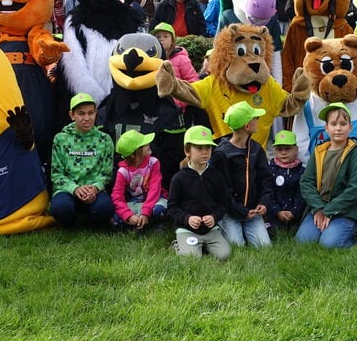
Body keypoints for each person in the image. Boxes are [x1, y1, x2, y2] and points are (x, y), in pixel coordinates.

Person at [295, 103, 357, 249]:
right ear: (327, 128)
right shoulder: (319, 152)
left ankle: (355, 234)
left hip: (346, 209)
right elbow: (306, 182)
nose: (338, 128)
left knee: (328, 244)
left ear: (350, 128)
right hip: (321, 206)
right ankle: (328, 227)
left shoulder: (356, 153)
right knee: (302, 242)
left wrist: (329, 210)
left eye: (343, 123)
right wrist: (318, 208)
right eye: (333, 124)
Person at [49, 93, 116, 227]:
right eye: (81, 114)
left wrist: (95, 188)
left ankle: (91, 218)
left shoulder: (105, 139)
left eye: (91, 113)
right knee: (61, 208)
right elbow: (56, 174)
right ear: (72, 115)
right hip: (68, 190)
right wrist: (75, 189)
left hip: (94, 191)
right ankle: (71, 220)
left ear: (96, 113)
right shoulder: (60, 139)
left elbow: (106, 173)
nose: (87, 118)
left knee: (104, 209)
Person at [211, 102, 272, 248]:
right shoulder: (221, 154)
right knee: (236, 246)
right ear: (247, 126)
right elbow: (222, 191)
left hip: (253, 212)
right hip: (230, 213)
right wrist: (241, 211)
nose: (258, 119)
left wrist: (263, 202)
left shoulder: (257, 149)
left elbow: (266, 179)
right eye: (255, 118)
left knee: (264, 247)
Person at [167, 125, 231, 261]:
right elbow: (172, 207)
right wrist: (187, 218)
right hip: (187, 229)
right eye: (199, 148)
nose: (205, 152)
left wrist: (214, 217)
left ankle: (202, 245)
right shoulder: (179, 178)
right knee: (192, 258)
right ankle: (179, 245)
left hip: (211, 230)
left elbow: (223, 204)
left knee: (224, 255)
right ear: (187, 151)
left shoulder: (217, 176)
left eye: (208, 148)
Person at [111, 130, 167, 231]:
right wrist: (128, 215)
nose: (148, 144)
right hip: (134, 203)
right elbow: (117, 197)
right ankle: (138, 222)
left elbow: (155, 189)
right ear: (133, 154)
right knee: (115, 217)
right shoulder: (123, 171)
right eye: (144, 144)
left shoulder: (153, 163)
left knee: (159, 210)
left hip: (154, 200)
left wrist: (146, 212)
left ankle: (149, 222)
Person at [263, 130, 305, 235]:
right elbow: (268, 193)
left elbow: (301, 195)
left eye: (287, 149)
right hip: (274, 214)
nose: (283, 152)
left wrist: (294, 212)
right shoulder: (269, 170)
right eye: (279, 149)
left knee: (297, 233)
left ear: (296, 150)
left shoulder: (302, 171)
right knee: (273, 233)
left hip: (295, 215)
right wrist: (277, 211)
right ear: (275, 151)